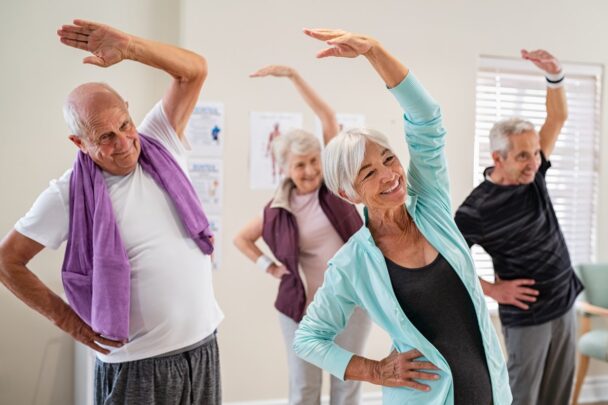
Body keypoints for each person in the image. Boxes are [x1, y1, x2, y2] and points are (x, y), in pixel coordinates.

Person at [0, 19, 223, 404]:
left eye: (125, 125)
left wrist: (131, 47)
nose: (124, 143)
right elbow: (7, 262)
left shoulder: (161, 141)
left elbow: (194, 71)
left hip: (202, 347)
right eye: (105, 136)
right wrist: (66, 319)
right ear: (79, 142)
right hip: (137, 364)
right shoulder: (67, 193)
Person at [293, 29, 512, 405]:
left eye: (388, 158)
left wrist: (374, 51)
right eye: (367, 173)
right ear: (348, 193)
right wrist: (375, 371)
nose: (389, 175)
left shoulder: (431, 206)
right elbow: (308, 339)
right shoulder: (353, 262)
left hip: (491, 389)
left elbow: (426, 117)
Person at [234, 65, 371, 405]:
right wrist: (268, 265)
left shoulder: (336, 188)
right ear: (285, 169)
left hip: (351, 303)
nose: (309, 171)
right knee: (304, 389)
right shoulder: (277, 209)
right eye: (300, 165)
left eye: (314, 161)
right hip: (301, 310)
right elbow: (241, 239)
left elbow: (327, 117)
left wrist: (294, 78)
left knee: (346, 384)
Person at [454, 49, 583, 405]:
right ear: (498, 158)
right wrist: (493, 290)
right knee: (523, 397)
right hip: (528, 317)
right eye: (523, 156)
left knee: (559, 395)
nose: (534, 163)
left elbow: (557, 118)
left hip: (564, 300)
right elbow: (447, 264)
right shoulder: (475, 209)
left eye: (536, 153)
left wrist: (555, 74)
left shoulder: (534, 175)